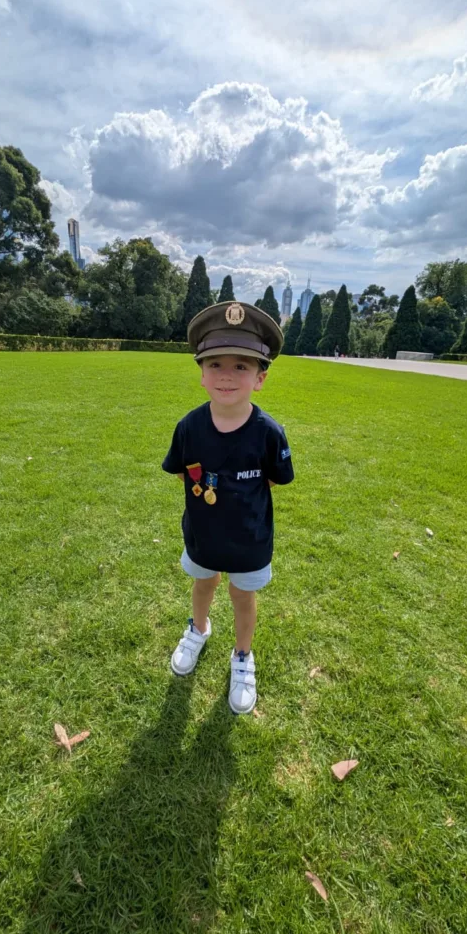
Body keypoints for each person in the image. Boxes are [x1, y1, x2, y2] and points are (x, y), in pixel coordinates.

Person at [162, 301, 295, 714]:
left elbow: (272, 479)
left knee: (243, 596)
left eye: (242, 366)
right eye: (215, 363)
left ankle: (242, 656)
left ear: (260, 378)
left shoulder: (270, 433)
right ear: (201, 374)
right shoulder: (188, 427)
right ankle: (198, 629)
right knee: (203, 584)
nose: (226, 375)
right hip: (202, 535)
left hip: (250, 541)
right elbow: (185, 473)